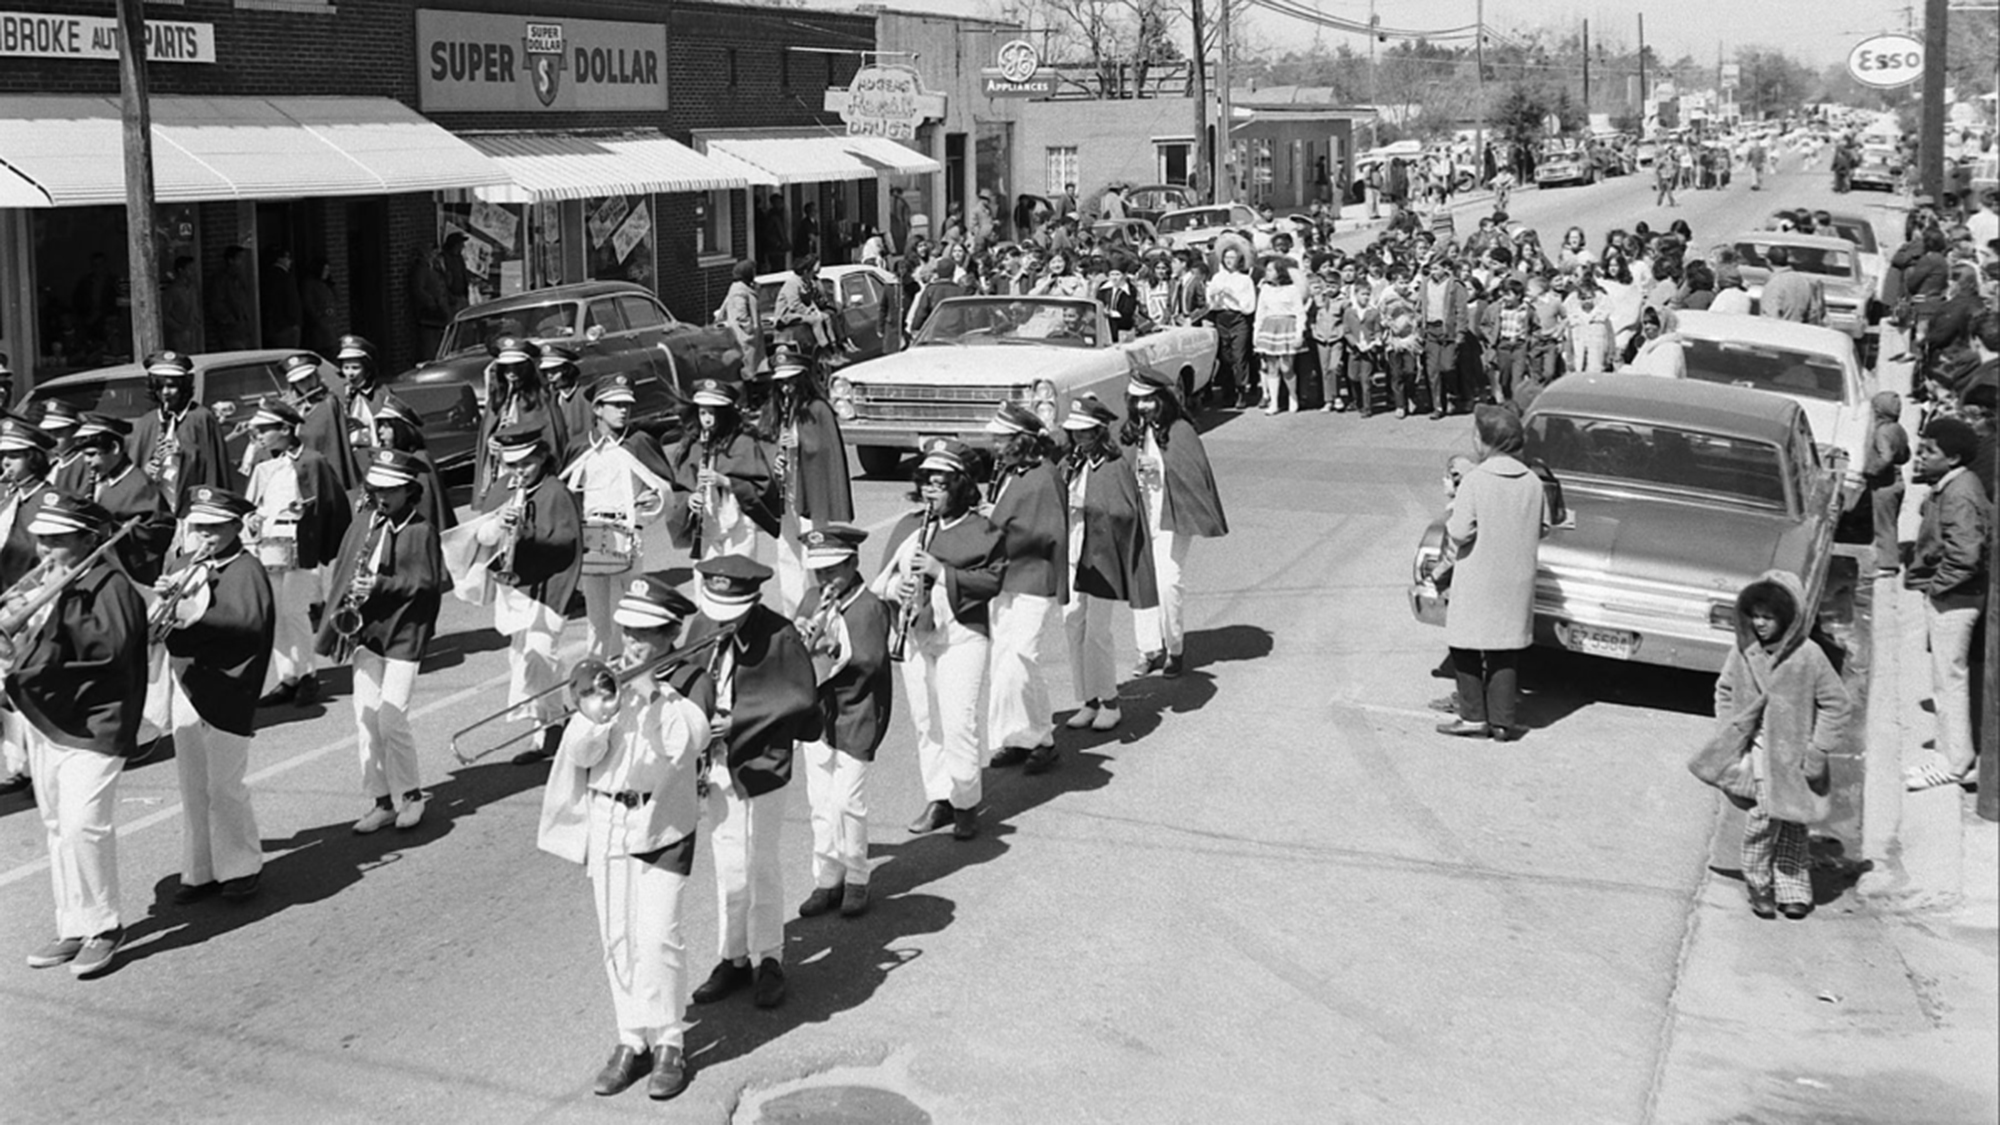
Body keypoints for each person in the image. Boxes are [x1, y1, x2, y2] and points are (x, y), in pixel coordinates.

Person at [536, 575, 709, 1101]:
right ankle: (631, 1038)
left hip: (662, 822)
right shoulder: (604, 680)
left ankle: (670, 1041)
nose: (631, 642)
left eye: (644, 633)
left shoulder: (690, 678)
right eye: (627, 630)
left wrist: (653, 692)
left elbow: (688, 744)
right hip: (608, 819)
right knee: (617, 936)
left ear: (670, 635)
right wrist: (597, 718)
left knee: (658, 936)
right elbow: (581, 756)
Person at [7, 494, 147, 978]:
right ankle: (73, 923)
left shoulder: (111, 585)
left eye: (58, 539)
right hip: (47, 715)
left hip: (96, 721)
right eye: (41, 539)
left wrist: (47, 620)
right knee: (56, 825)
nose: (45, 549)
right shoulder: (48, 580)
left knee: (84, 823)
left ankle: (105, 926)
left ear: (89, 539)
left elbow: (111, 652)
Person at [683, 555, 820, 1010]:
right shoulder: (705, 624)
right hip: (717, 764)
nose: (722, 621)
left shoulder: (780, 634)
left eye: (733, 613)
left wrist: (737, 721)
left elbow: (800, 699)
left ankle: (770, 958)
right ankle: (733, 956)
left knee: (761, 863)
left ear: (752, 601)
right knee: (728, 865)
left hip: (762, 763)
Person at [1697, 571, 1850, 920]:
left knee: (1794, 821)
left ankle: (1794, 889)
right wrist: (1729, 732)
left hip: (1795, 756)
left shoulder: (1809, 656)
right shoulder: (1744, 652)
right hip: (1757, 751)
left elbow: (1837, 704)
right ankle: (1759, 882)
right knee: (1764, 816)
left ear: (1789, 618)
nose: (1760, 623)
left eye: (1769, 617)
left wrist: (1818, 749)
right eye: (1756, 615)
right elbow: (1725, 689)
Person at [871, 439, 1003, 840]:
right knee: (926, 721)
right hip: (914, 634)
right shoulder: (910, 526)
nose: (931, 490)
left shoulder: (982, 529)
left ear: (960, 487)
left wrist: (940, 571)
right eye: (926, 482)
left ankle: (965, 802)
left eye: (940, 484)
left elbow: (992, 581)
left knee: (958, 721)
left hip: (961, 635)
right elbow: (880, 582)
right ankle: (939, 797)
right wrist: (896, 588)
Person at [155, 486, 274, 904]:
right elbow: (163, 620)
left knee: (224, 784)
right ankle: (200, 870)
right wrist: (164, 598)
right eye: (199, 526)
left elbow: (249, 624)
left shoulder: (247, 568)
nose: (204, 535)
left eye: (215, 528)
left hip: (229, 686)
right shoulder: (184, 563)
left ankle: (241, 866)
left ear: (236, 526)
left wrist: (193, 615)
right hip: (186, 678)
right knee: (192, 783)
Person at [316, 449, 446, 833]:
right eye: (376, 489)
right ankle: (381, 800)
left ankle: (411, 795)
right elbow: (344, 569)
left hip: (404, 633)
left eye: (390, 490)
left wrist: (380, 584)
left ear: (409, 491)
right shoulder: (364, 522)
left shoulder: (421, 530)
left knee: (391, 720)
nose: (381, 497)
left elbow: (427, 583)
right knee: (366, 719)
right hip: (367, 632)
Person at [792, 525, 892, 918]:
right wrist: (798, 636)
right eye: (819, 571)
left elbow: (871, 662)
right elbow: (793, 653)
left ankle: (857, 877)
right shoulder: (811, 598)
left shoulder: (869, 606)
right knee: (820, 801)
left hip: (857, 712)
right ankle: (827, 878)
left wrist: (831, 648)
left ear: (853, 563)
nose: (825, 579)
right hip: (817, 714)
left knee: (848, 801)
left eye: (833, 570)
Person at [1437, 406, 1548, 742]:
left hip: (1479, 575)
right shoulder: (1533, 482)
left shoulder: (1475, 481)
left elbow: (1460, 532)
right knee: (1504, 648)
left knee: (1465, 645)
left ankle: (1473, 717)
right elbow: (1543, 527)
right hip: (1517, 577)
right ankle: (1502, 721)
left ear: (1487, 441)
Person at [476, 423, 583, 766]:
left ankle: (552, 729)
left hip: (549, 587)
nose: (520, 471)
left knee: (540, 656)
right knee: (521, 660)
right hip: (514, 588)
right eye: (513, 465)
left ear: (541, 457)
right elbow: (482, 535)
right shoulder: (504, 488)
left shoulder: (556, 491)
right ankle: (551, 723)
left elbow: (566, 542)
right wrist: (500, 524)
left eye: (527, 463)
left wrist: (527, 533)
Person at [1057, 396, 1157, 743]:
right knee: (1073, 625)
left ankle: (1110, 702)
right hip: (1072, 554)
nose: (1079, 438)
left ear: (1099, 431)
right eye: (1075, 432)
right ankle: (1088, 699)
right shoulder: (1071, 462)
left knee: (1097, 632)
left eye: (1085, 432)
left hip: (1102, 557)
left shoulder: (1114, 464)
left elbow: (1126, 512)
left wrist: (1086, 506)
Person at [244, 400, 354, 707]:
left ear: (285, 429)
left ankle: (308, 675)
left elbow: (331, 504)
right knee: (276, 614)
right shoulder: (263, 463)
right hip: (267, 545)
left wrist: (319, 538)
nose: (259, 435)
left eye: (265, 429)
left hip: (299, 545)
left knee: (295, 611)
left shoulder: (312, 460)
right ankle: (287, 677)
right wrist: (252, 518)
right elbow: (254, 502)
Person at [1902, 417, 1991, 791]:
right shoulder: (1955, 485)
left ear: (1953, 458)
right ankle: (1951, 755)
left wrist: (1936, 589)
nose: (1920, 456)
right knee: (1947, 681)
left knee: (1947, 684)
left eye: (1930, 451)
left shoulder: (1958, 494)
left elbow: (1965, 555)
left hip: (1955, 599)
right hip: (1956, 595)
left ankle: (1953, 764)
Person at [557, 374, 671, 663]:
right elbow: (565, 492)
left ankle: (631, 666)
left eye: (627, 405)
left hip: (628, 537)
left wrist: (652, 501)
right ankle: (597, 668)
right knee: (596, 615)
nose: (624, 410)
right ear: (597, 409)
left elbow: (665, 487)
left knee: (629, 608)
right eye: (616, 405)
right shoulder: (580, 445)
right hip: (592, 538)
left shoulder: (639, 442)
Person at [1122, 367, 1227, 677]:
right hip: (1141, 516)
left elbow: (1193, 473)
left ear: (1163, 399)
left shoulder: (1180, 430)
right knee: (1142, 584)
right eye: (1138, 400)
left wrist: (1163, 472)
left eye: (1149, 400)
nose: (1143, 406)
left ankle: (1175, 648)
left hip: (1172, 514)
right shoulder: (1131, 431)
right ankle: (1148, 649)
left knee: (1168, 582)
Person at [981, 404, 1067, 769]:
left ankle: (1043, 737)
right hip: (1005, 577)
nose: (996, 446)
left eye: (1001, 440)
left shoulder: (1045, 477)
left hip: (1034, 579)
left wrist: (995, 526)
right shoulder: (1011, 472)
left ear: (1021, 441)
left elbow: (1048, 534)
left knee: (1023, 658)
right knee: (1003, 660)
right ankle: (1014, 736)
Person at [667, 379, 777, 563]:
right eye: (703, 413)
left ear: (725, 414)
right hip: (706, 526)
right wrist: (690, 499)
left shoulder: (743, 442)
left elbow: (762, 485)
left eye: (713, 413)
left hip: (739, 525)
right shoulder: (694, 445)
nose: (707, 419)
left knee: (739, 574)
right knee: (706, 577)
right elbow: (679, 488)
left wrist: (725, 481)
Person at [129, 351, 232, 510]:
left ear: (183, 387)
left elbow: (213, 467)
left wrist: (183, 453)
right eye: (159, 387)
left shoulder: (201, 417)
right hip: (157, 507)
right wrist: (146, 471)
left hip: (192, 505)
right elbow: (133, 473)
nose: (165, 392)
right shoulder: (147, 422)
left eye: (171, 386)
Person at [475, 337, 565, 512]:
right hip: (501, 468)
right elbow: (489, 431)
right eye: (506, 367)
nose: (511, 371)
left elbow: (551, 438)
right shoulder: (497, 397)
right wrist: (491, 442)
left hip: (527, 467)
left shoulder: (540, 397)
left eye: (517, 366)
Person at [370, 395, 456, 535]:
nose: (380, 432)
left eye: (386, 426)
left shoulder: (419, 460)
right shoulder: (399, 458)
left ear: (400, 429)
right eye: (380, 426)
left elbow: (426, 508)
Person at [279, 353, 360, 494]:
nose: (307, 384)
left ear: (316, 376)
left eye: (309, 378)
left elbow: (334, 446)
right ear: (293, 385)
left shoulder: (329, 403)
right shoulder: (288, 407)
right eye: (300, 382)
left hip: (324, 471)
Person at [1862, 391, 1912, 578]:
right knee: (1889, 523)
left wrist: (1871, 470)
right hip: (1898, 482)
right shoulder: (1898, 429)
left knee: (1884, 526)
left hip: (1885, 484)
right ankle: (1883, 559)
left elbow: (1886, 456)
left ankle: (1887, 566)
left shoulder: (1882, 431)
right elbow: (1906, 455)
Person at [1205, 241, 1256, 408]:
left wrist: (1232, 295)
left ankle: (1241, 391)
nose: (1229, 261)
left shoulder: (1245, 279)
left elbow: (1249, 306)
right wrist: (1214, 296)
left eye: (1232, 258)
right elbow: (1210, 304)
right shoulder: (1217, 278)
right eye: (1226, 257)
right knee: (1224, 356)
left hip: (1239, 318)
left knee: (1239, 356)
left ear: (1239, 260)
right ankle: (1228, 390)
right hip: (1221, 317)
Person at [1420, 257, 1471, 419]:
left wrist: (1460, 332)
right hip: (1430, 330)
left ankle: (1453, 394)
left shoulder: (1455, 286)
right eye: (1431, 269)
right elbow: (1420, 306)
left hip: (1448, 331)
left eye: (1436, 268)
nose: (1433, 272)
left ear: (1445, 268)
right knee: (1432, 370)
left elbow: (1461, 311)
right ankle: (1438, 406)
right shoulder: (1425, 284)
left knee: (1447, 367)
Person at [1253, 256, 1305, 414]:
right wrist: (1256, 333)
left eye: (1270, 270)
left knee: (1286, 367)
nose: (1267, 273)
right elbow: (1260, 312)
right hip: (1269, 328)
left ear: (1279, 272)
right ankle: (1274, 403)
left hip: (1287, 327)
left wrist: (1299, 333)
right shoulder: (1265, 289)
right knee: (1271, 367)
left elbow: (1299, 313)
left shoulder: (1292, 289)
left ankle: (1293, 396)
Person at [542, 344, 594, 455]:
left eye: (554, 371)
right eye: (546, 371)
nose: (549, 375)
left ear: (567, 370)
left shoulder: (585, 395)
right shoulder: (549, 397)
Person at [716, 261, 765, 380]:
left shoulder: (742, 288)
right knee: (749, 370)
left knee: (755, 368)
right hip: (745, 339)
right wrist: (750, 329)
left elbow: (722, 311)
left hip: (748, 339)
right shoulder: (739, 290)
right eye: (752, 271)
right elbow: (741, 314)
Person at [1758, 246, 1825, 326]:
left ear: (1768, 261)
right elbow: (1813, 312)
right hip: (1798, 330)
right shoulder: (1803, 281)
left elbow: (1769, 317)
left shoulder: (1774, 284)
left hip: (1780, 331)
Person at [211, 245, 256, 352]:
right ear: (231, 260)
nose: (242, 262)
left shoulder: (240, 278)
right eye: (240, 258)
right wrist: (230, 320)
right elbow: (217, 303)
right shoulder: (222, 279)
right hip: (230, 329)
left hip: (243, 327)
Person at [411, 246, 452, 361]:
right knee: (429, 343)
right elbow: (418, 289)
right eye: (432, 252)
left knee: (440, 340)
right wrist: (430, 301)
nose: (435, 255)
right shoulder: (421, 268)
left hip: (441, 310)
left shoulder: (436, 267)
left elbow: (446, 283)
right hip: (429, 312)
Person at [1627, 307, 1688, 379]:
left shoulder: (1670, 349)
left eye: (1653, 322)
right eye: (1645, 323)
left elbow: (1664, 381)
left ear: (1664, 323)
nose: (1647, 326)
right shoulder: (1648, 346)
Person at [261, 247, 302, 349]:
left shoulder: (267, 276)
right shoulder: (284, 277)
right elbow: (290, 300)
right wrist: (294, 320)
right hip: (285, 325)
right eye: (287, 258)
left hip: (275, 324)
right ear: (280, 259)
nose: (290, 261)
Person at [299, 258, 339, 356]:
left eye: (328, 270)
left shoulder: (326, 285)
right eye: (325, 270)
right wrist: (319, 317)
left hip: (330, 325)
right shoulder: (310, 284)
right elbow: (308, 305)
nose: (327, 272)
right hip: (319, 328)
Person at [163, 255, 201, 354]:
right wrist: (180, 327)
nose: (193, 272)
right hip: (179, 335)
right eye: (190, 269)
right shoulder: (172, 290)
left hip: (193, 332)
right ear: (181, 270)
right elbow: (165, 315)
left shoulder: (192, 288)